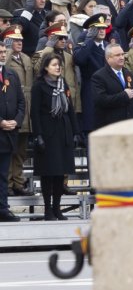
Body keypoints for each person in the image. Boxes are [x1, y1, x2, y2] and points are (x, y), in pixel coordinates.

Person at [29, 53, 78, 220]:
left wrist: (75, 132)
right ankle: (48, 209)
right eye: (54, 65)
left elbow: (70, 109)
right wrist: (38, 135)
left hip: (63, 131)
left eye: (59, 65)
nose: (58, 67)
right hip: (48, 133)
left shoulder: (62, 83)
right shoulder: (39, 86)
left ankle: (57, 208)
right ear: (45, 67)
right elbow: (34, 113)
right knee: (48, 172)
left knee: (60, 172)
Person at [0, 41, 26, 221]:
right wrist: (0, 122)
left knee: (3, 175)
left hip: (8, 134)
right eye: (0, 52)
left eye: (4, 51)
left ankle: (3, 209)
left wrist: (16, 121)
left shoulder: (11, 74)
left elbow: (21, 102)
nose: (3, 54)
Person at [91, 44, 133, 130]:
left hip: (130, 125)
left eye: (122, 54)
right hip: (111, 126)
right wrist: (124, 95)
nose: (122, 57)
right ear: (108, 58)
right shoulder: (99, 76)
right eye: (117, 55)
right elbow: (101, 100)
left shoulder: (130, 75)